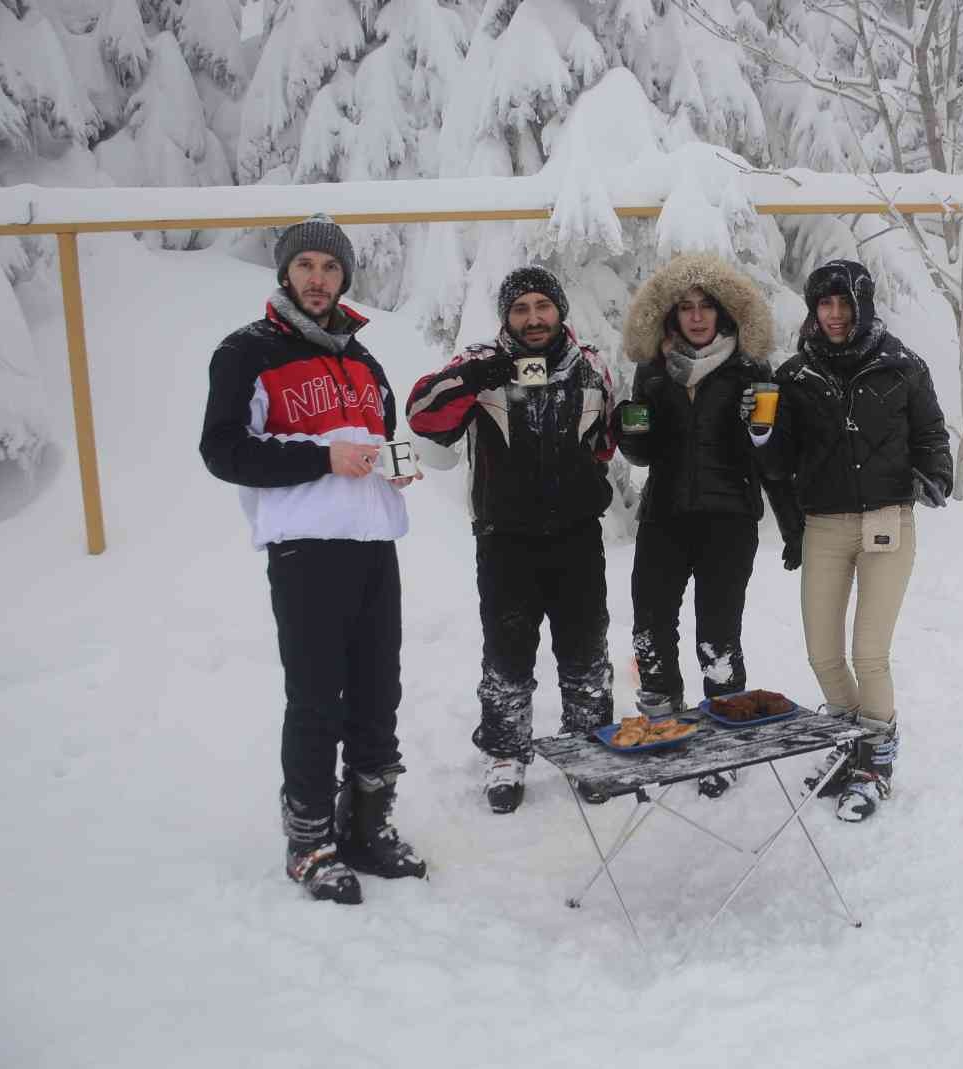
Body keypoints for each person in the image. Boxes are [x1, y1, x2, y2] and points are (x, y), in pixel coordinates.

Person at [200, 213, 428, 905]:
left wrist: (393, 466)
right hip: (304, 548)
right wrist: (323, 457)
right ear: (286, 273)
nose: (319, 279)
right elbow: (224, 450)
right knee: (317, 697)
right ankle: (310, 841)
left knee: (376, 692)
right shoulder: (246, 352)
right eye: (308, 267)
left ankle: (366, 825)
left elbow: (378, 436)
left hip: (372, 543)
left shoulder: (362, 359)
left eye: (331, 268)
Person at [745, 259, 953, 823]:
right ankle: (847, 741)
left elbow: (932, 432)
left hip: (888, 520)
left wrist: (934, 477)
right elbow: (779, 464)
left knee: (869, 652)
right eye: (825, 304)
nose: (835, 315)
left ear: (862, 304)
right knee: (822, 651)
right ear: (814, 309)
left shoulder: (902, 366)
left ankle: (875, 762)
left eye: (845, 303)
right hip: (826, 525)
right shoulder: (793, 376)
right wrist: (761, 431)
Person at [406, 266, 617, 814]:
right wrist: (483, 373)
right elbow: (424, 416)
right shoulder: (481, 365)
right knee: (507, 650)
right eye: (520, 309)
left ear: (559, 311)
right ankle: (505, 751)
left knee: (585, 646)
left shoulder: (591, 368)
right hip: (506, 539)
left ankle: (588, 743)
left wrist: (585, 480)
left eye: (541, 307)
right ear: (506, 317)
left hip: (575, 537)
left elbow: (605, 442)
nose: (532, 318)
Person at [615, 253, 804, 798]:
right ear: (671, 317)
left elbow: (770, 457)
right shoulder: (653, 370)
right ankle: (660, 731)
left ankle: (721, 745)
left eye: (706, 306)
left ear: (724, 313)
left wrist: (790, 520)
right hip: (664, 517)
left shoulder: (750, 370)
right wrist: (632, 433)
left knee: (717, 639)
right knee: (650, 631)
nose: (696, 317)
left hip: (729, 519)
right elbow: (643, 454)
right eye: (685, 307)